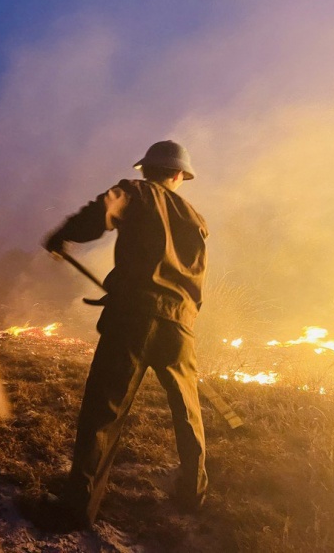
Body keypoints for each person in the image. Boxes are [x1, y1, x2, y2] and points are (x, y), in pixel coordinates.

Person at [41, 140, 208, 530]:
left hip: (134, 319)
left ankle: (76, 509)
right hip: (181, 324)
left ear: (146, 169)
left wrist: (61, 235)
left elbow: (101, 212)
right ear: (180, 174)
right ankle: (194, 494)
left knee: (104, 413)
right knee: (188, 413)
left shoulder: (136, 192)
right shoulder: (196, 217)